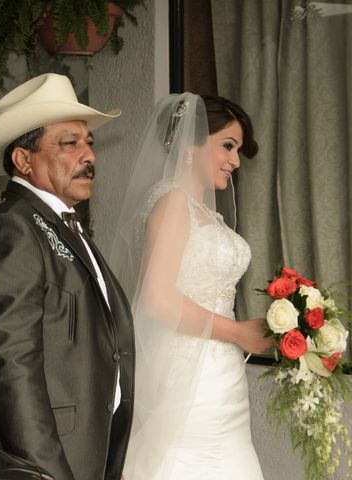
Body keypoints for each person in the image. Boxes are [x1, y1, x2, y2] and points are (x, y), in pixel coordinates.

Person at [0, 73, 135, 480]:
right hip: (43, 465)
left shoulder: (61, 225)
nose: (87, 155)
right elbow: (10, 366)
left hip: (87, 455)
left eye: (89, 142)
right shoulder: (11, 228)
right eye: (69, 143)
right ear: (24, 160)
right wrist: (49, 474)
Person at [110, 93, 274, 479]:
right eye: (227, 146)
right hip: (190, 379)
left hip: (218, 377)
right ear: (191, 143)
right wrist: (238, 332)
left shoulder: (203, 213)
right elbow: (158, 300)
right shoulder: (172, 204)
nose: (235, 161)